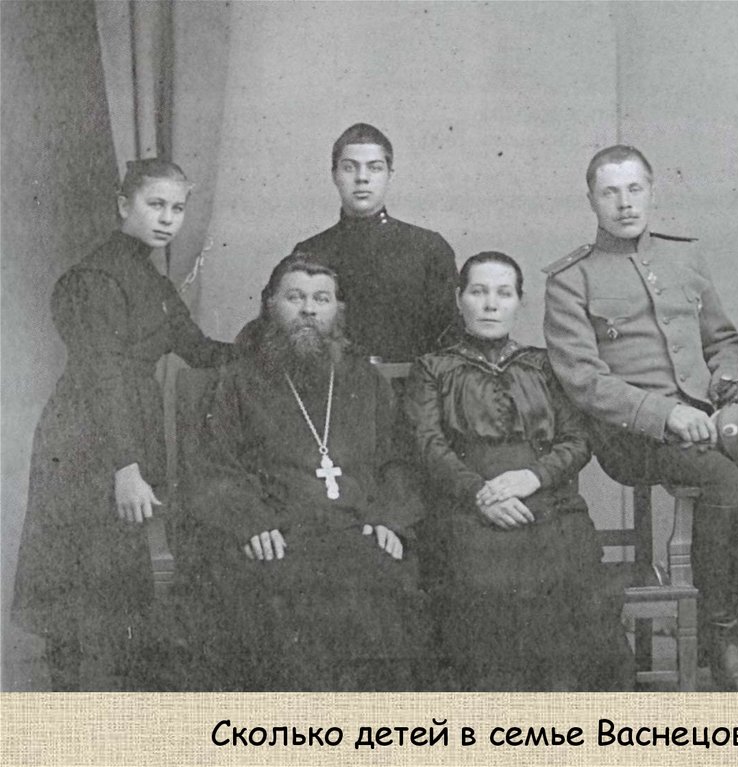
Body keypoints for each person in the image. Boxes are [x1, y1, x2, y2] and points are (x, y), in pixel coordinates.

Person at [543, 145, 738, 691]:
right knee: (724, 478)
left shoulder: (684, 259)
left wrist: (727, 380)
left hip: (706, 419)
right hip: (628, 436)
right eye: (610, 192)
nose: (624, 203)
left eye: (634, 189)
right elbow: (584, 380)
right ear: (591, 200)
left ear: (651, 191)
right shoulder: (571, 279)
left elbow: (724, 341)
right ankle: (720, 637)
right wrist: (667, 414)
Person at [11, 159, 236, 691]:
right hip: (86, 439)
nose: (168, 218)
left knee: (120, 579)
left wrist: (275, 342)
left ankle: (115, 709)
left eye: (177, 208)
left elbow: (200, 350)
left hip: (129, 428)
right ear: (123, 205)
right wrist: (126, 467)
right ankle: (70, 711)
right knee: (77, 579)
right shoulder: (96, 278)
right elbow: (102, 373)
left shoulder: (152, 280)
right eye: (155, 205)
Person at [189, 254, 424, 691]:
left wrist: (390, 519)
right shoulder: (237, 381)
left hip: (357, 530)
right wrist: (251, 521)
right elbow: (213, 464)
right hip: (280, 534)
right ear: (270, 305)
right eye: (295, 297)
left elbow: (398, 461)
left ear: (338, 310)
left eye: (321, 299)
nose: (309, 310)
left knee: (389, 586)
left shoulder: (365, 380)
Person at [405, 252, 633, 691]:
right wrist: (479, 494)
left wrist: (534, 477)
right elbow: (428, 445)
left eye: (503, 293)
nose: (491, 304)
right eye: (478, 292)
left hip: (547, 503)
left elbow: (578, 439)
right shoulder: (433, 368)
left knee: (570, 580)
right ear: (459, 298)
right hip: (467, 508)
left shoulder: (544, 365)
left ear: (519, 302)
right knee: (480, 587)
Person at [238, 122, 458, 362]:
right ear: (334, 175)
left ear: (389, 175)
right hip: (333, 382)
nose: (362, 178)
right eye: (349, 168)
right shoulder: (311, 251)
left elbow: (449, 336)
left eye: (374, 168)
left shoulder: (428, 248)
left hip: (412, 382)